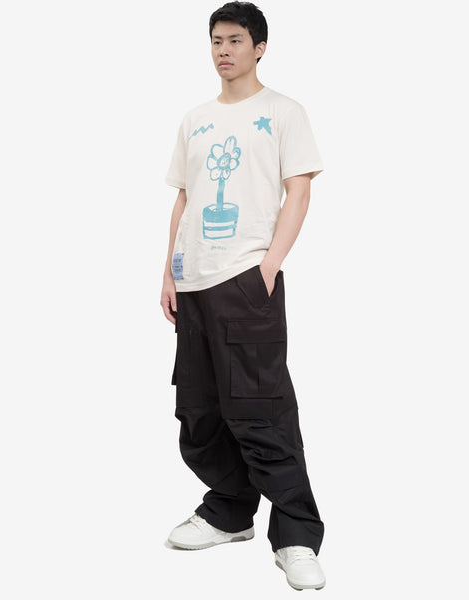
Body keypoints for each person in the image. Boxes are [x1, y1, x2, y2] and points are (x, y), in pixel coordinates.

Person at [160, 1, 326, 591]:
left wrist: (269, 265)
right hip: (194, 283)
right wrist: (169, 272)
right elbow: (185, 199)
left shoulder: (283, 111)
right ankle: (231, 511)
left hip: (246, 278)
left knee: (260, 409)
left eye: (235, 40)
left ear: (259, 48)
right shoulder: (196, 118)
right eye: (216, 40)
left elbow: (298, 191)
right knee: (199, 409)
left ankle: (296, 534)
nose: (223, 50)